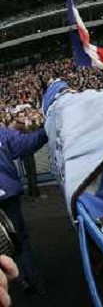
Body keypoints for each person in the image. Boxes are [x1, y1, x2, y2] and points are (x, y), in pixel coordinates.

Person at [0, 124, 48, 294]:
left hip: (7, 194)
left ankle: (19, 280)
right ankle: (31, 279)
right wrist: (49, 125)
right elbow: (28, 142)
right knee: (19, 239)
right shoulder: (3, 134)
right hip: (7, 194)